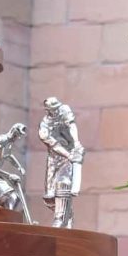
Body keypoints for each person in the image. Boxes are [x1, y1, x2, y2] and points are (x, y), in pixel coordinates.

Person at [39, 97, 84, 228]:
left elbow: (71, 125)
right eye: (53, 109)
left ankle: (60, 219)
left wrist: (76, 143)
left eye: (57, 108)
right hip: (55, 157)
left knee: (63, 184)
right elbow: (54, 145)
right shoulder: (44, 126)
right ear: (48, 110)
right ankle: (67, 216)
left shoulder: (64, 110)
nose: (57, 111)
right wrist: (69, 155)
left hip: (69, 153)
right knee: (50, 195)